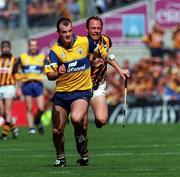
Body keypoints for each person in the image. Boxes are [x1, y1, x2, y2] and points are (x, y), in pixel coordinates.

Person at [75, 16, 130, 166]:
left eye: (98, 28)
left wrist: (119, 70)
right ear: (87, 29)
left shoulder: (106, 40)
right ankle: (84, 154)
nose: (96, 30)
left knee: (101, 120)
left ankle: (81, 136)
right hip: (82, 87)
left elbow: (106, 56)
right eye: (93, 28)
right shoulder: (81, 44)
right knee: (83, 125)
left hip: (98, 86)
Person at [44, 17, 97, 167]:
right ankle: (61, 158)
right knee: (56, 130)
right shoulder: (55, 51)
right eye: (63, 32)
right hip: (61, 94)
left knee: (76, 119)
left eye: (69, 31)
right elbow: (49, 75)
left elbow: (102, 52)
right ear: (58, 33)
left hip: (81, 91)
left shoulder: (85, 42)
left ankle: (79, 136)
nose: (67, 34)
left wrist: (116, 68)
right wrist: (58, 72)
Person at [17, 39, 46, 135]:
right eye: (31, 45)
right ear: (29, 46)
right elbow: (19, 73)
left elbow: (46, 70)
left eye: (35, 45)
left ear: (37, 46)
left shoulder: (42, 57)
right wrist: (18, 88)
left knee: (41, 108)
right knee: (29, 108)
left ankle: (37, 120)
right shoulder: (23, 57)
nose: (33, 47)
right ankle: (31, 128)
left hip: (38, 84)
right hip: (27, 84)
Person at [0, 41, 20, 140]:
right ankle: (14, 128)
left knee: (7, 110)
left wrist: (19, 88)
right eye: (3, 47)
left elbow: (17, 76)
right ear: (1, 49)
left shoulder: (14, 60)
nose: (5, 49)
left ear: (10, 48)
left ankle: (4, 135)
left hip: (9, 86)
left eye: (7, 47)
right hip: (0, 87)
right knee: (2, 111)